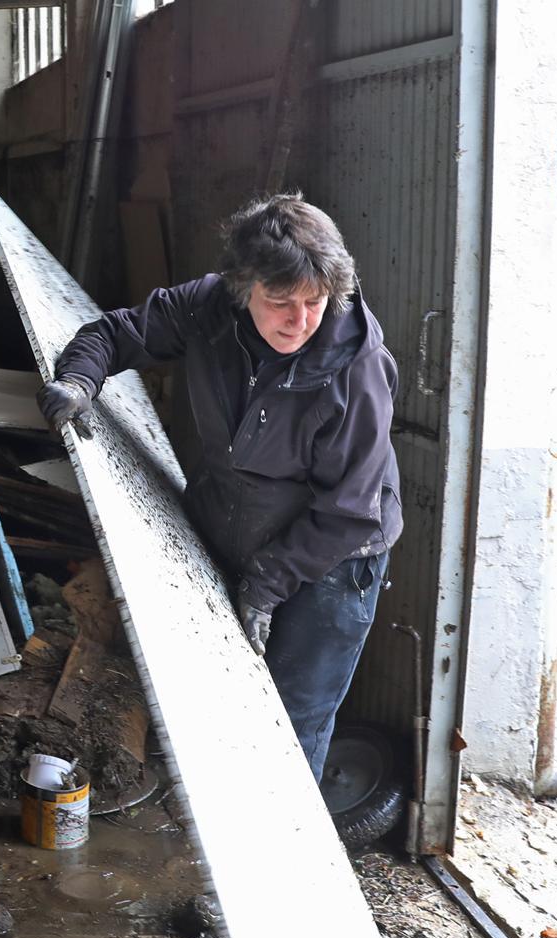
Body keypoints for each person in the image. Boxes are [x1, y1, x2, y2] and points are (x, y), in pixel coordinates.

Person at [35, 193, 401, 784]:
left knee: (292, 717)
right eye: (279, 301)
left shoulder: (356, 369)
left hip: (332, 558)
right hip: (236, 521)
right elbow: (115, 333)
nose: (299, 321)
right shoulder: (207, 307)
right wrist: (79, 380)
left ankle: (281, 856)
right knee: (225, 699)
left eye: (314, 303)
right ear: (241, 288)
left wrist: (263, 587)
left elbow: (348, 510)